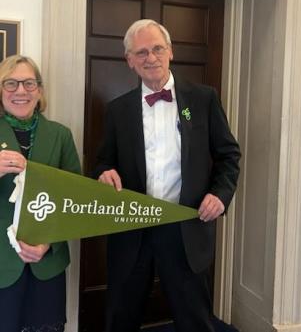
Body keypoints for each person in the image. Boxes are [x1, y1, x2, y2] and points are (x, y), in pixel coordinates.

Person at [95, 19, 241, 332]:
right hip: (133, 228)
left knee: (194, 320)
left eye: (157, 49)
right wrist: (104, 172)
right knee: (121, 316)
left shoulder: (204, 99)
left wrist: (221, 194)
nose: (151, 57)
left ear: (170, 52)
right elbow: (103, 160)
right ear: (130, 61)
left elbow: (229, 156)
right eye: (142, 52)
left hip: (185, 226)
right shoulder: (118, 110)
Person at [0, 55, 81, 332]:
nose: (20, 91)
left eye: (28, 83)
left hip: (48, 263)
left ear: (40, 90)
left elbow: (75, 199)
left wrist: (49, 243)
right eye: (11, 83)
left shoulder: (60, 135)